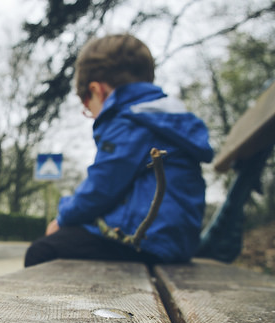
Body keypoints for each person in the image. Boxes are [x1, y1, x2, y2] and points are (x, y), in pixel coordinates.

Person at [24, 33, 213, 267]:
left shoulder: (130, 121)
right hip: (174, 242)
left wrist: (62, 218)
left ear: (97, 90)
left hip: (144, 241)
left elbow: (101, 189)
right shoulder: (163, 117)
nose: (92, 115)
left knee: (43, 250)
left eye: (87, 106)